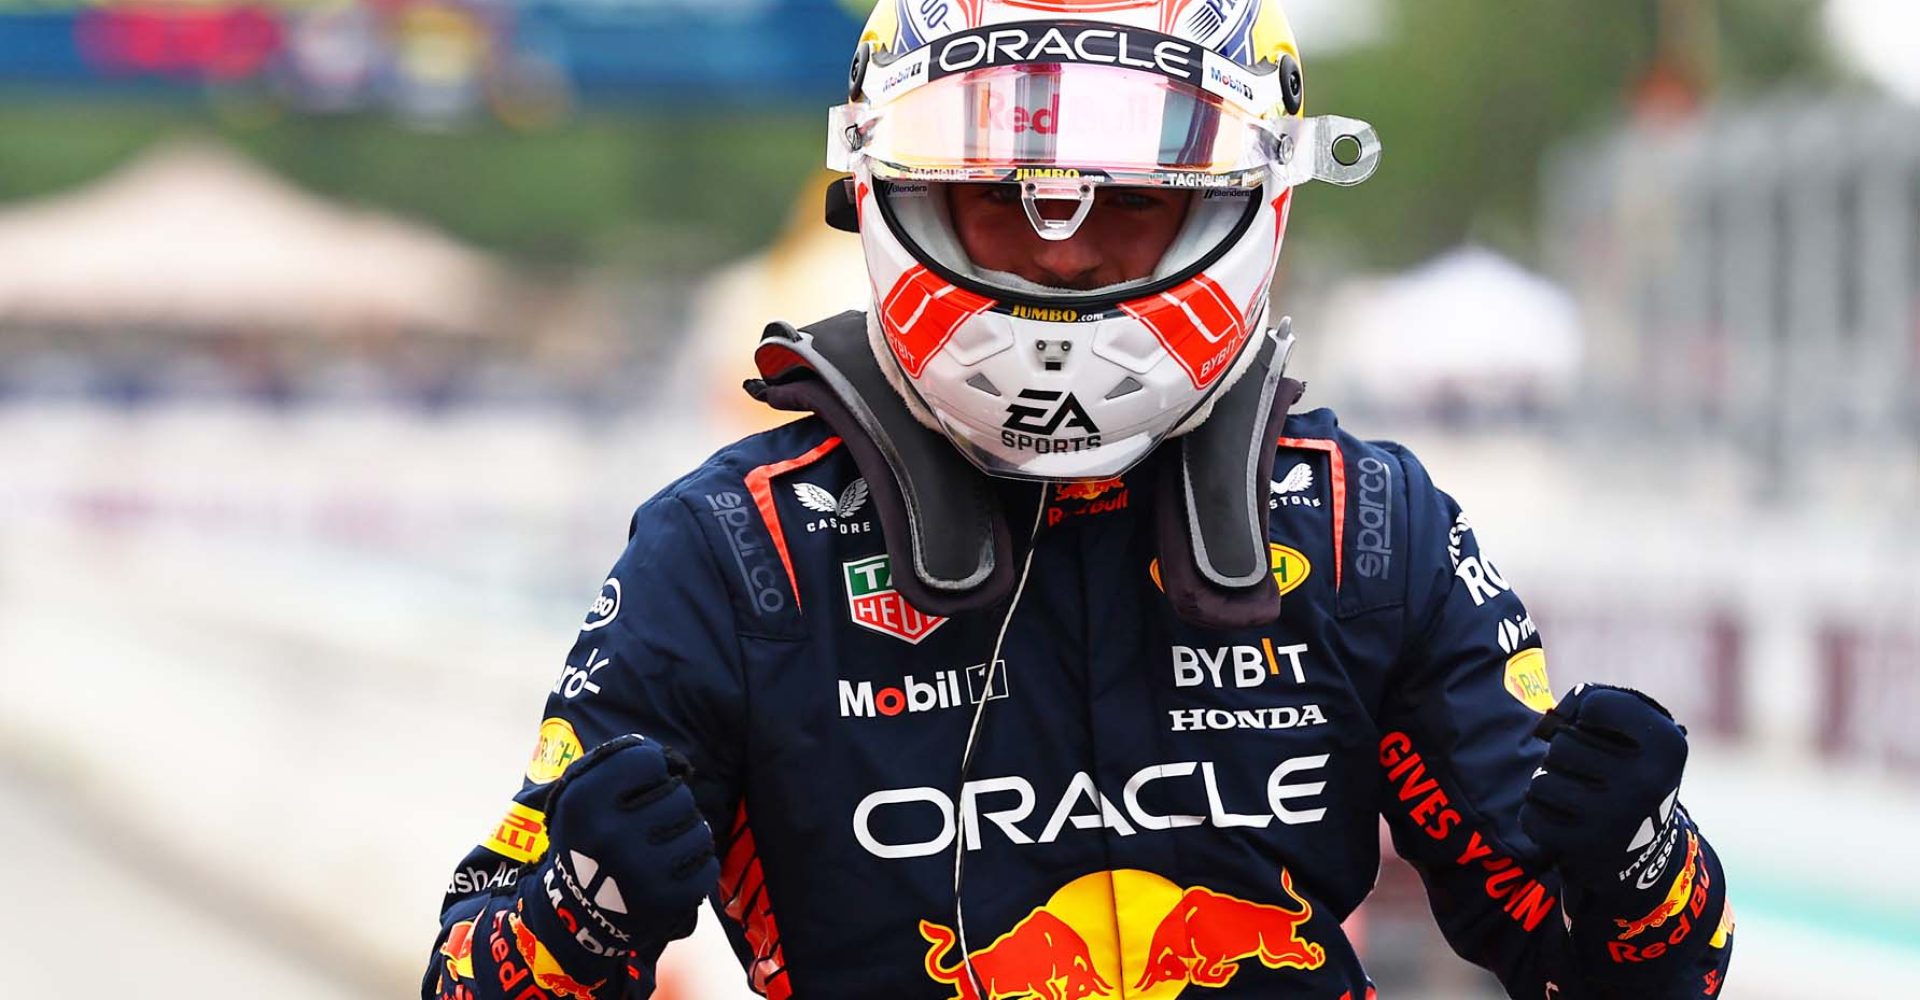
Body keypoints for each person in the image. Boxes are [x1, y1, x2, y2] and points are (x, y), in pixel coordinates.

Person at [425, 3, 1734, 998]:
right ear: (887, 193)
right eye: (1004, 198)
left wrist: (1637, 858)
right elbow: (470, 965)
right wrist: (577, 911)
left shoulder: (1363, 527)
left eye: (1138, 199)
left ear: (1249, 202)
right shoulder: (733, 551)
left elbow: (1624, 967)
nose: (1071, 250)